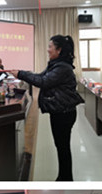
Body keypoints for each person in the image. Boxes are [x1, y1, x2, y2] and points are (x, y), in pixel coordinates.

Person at [10, 35, 83, 181]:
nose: (48, 50)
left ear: (59, 50)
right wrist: (21, 72)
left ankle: (66, 178)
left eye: (50, 47)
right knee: (61, 146)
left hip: (64, 113)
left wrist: (21, 74)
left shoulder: (62, 67)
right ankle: (64, 176)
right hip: (60, 111)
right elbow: (39, 76)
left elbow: (43, 82)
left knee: (62, 147)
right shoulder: (56, 64)